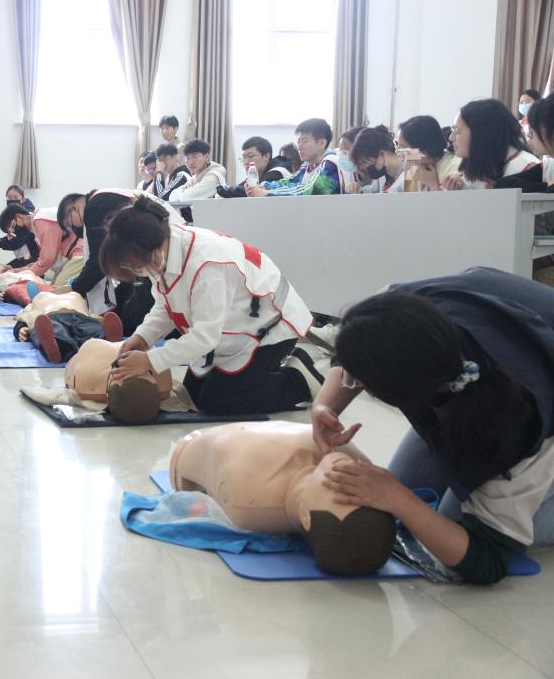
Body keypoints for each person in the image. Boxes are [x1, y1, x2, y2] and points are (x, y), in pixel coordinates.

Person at [311, 267, 554, 584]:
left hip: (539, 406)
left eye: (365, 382)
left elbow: (488, 560)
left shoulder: (511, 428)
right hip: (517, 333)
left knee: (446, 525)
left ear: (406, 392)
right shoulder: (401, 310)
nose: (355, 381)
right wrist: (326, 405)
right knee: (405, 497)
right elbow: (356, 354)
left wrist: (399, 499)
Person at [101, 198, 323, 416]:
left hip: (273, 326)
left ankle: (299, 379)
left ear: (155, 248)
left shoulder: (207, 264)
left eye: (135, 266)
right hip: (237, 326)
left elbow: (206, 336)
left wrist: (151, 360)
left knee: (218, 401)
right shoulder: (163, 252)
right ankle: (263, 372)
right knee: (193, 394)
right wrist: (142, 338)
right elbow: (165, 306)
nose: (137, 272)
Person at [170, 421, 396, 575]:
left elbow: (191, 472)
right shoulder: (353, 465)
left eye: (340, 491)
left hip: (193, 442)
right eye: (358, 491)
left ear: (305, 516)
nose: (348, 478)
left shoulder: (251, 499)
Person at [60, 188, 186, 336]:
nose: (75, 229)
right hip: (165, 243)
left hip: (158, 250)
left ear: (74, 209)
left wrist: (75, 288)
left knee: (134, 318)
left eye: (70, 223)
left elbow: (97, 261)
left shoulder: (93, 207)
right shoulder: (105, 196)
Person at [445, 98, 538, 190]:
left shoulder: (528, 168)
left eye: (457, 130)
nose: (451, 138)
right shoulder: (477, 168)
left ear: (481, 133)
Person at [13, 291, 123, 363]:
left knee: (91, 328)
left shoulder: (75, 295)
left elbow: (91, 313)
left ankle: (106, 339)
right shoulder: (38, 298)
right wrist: (20, 329)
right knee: (50, 330)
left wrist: (102, 322)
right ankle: (56, 347)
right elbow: (24, 317)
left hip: (75, 315)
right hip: (53, 317)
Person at [245, 118, 341, 197]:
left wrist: (268, 193)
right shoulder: (308, 165)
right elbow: (292, 181)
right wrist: (264, 186)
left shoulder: (331, 163)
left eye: (304, 141)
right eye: (298, 142)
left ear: (321, 143)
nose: (299, 147)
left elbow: (311, 191)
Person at [396, 115, 461, 191]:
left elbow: (456, 199)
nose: (400, 154)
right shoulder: (413, 170)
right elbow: (408, 198)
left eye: (404, 149)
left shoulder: (455, 168)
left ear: (423, 152)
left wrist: (433, 185)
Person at [216, 137, 294, 198]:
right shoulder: (256, 174)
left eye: (250, 156)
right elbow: (239, 187)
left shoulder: (277, 172)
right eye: (243, 158)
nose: (246, 162)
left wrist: (224, 190)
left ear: (266, 156)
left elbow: (249, 192)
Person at [348, 125, 407, 193]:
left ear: (381, 154)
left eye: (365, 162)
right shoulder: (383, 176)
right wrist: (358, 189)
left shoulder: (409, 177)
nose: (365, 168)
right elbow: (372, 191)